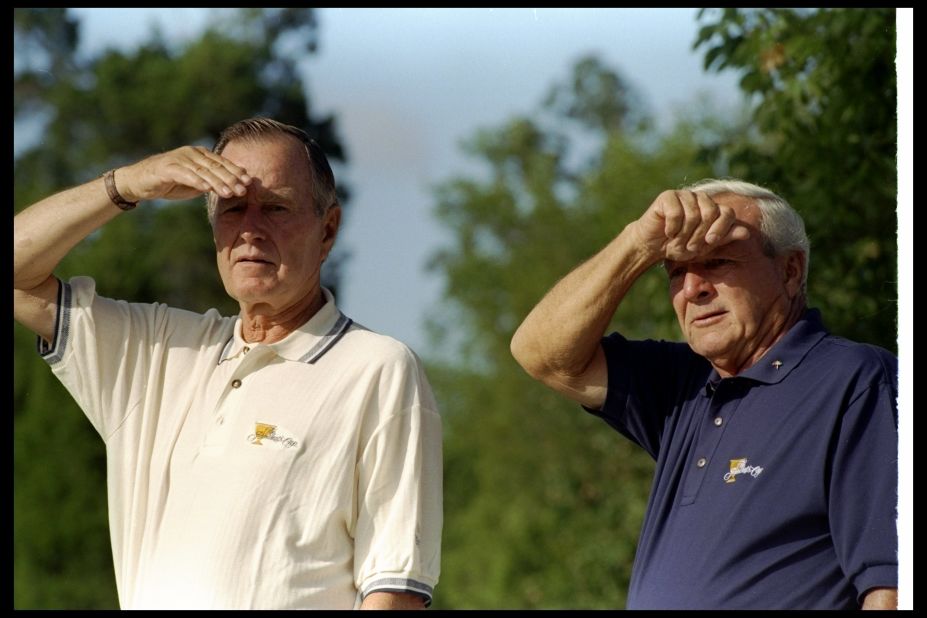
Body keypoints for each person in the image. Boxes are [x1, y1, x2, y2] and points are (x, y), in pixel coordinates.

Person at [13, 117, 442, 610]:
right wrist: (127, 183)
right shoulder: (158, 349)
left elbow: (393, 590)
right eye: (233, 207)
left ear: (328, 230)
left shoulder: (377, 368)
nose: (250, 230)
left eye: (276, 207)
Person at [510, 179, 898, 610]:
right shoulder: (684, 385)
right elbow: (541, 353)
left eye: (718, 262)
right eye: (676, 270)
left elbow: (891, 586)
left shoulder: (855, 379)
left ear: (790, 271)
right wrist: (639, 243)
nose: (694, 288)